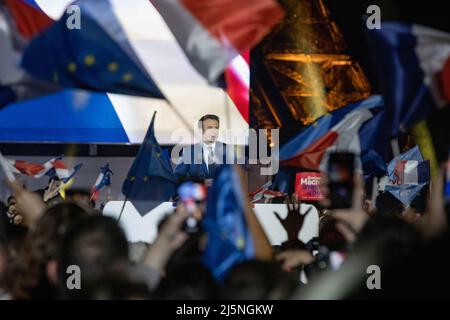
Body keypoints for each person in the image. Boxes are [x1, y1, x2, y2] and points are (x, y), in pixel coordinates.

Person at [174, 114, 232, 185]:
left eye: (216, 128)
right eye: (210, 128)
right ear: (201, 130)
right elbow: (177, 177)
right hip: (198, 194)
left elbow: (236, 176)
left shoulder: (227, 149)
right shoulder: (188, 151)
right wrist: (200, 182)